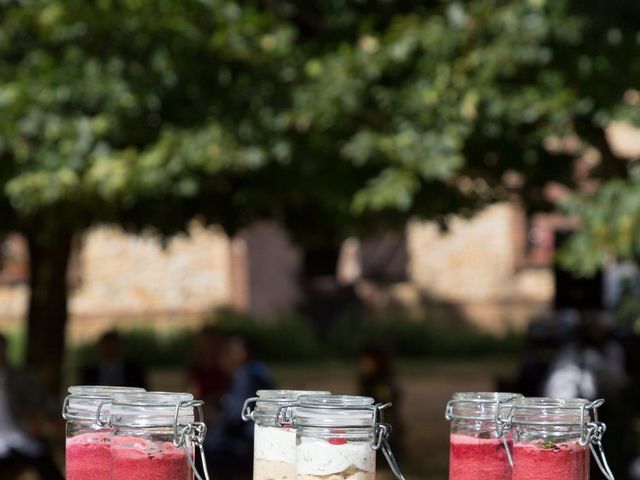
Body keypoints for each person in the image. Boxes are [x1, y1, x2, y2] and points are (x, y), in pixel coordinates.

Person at [204, 335, 275, 480]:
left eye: (228, 352)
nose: (222, 357)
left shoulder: (244, 376)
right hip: (259, 441)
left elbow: (235, 417)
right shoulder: (258, 371)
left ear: (242, 354)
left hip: (241, 446)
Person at [0, 333, 64, 479]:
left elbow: (42, 401)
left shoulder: (21, 377)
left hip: (20, 438)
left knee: (45, 464)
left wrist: (41, 420)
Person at [187, 326, 231, 421]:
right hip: (202, 409)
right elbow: (191, 394)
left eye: (209, 342)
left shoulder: (224, 366)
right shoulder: (195, 368)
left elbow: (230, 392)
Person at [80, 330, 147, 388]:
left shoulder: (134, 370)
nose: (109, 350)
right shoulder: (90, 372)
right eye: (107, 346)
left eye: (112, 346)